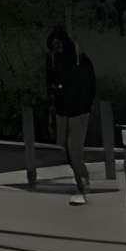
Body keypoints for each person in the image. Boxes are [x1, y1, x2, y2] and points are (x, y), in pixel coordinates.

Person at [46, 26, 97, 204]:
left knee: (74, 148)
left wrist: (84, 104)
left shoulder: (79, 60)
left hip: (78, 111)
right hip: (63, 110)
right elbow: (51, 81)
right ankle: (76, 177)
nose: (57, 48)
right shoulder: (54, 59)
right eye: (54, 45)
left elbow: (89, 85)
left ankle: (82, 179)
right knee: (61, 146)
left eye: (58, 44)